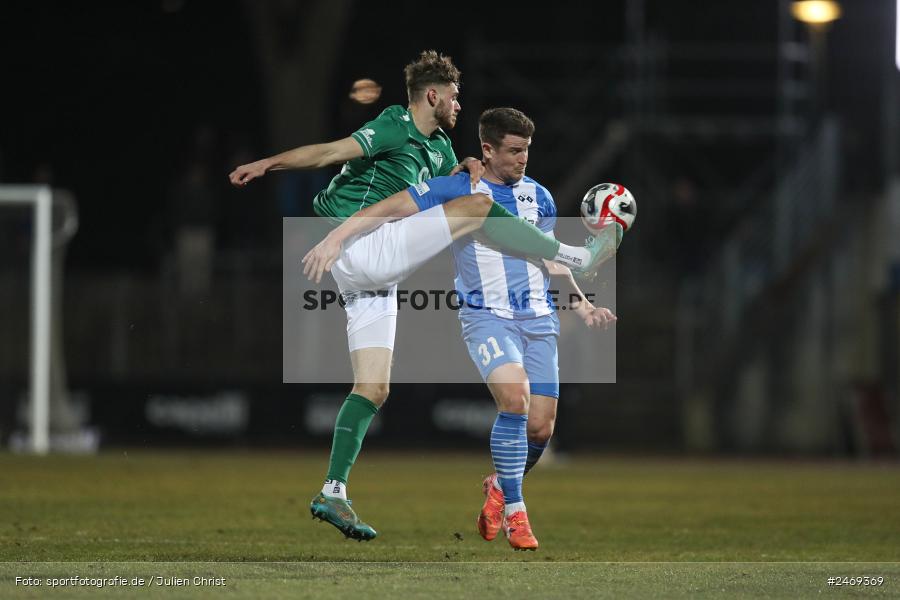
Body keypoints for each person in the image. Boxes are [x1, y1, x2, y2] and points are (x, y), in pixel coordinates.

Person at [234, 50, 615, 542]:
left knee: (374, 388)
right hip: (354, 243)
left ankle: (333, 490)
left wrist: (462, 167)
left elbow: (436, 188)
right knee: (477, 206)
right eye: (454, 96)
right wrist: (270, 164)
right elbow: (331, 152)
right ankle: (576, 253)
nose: (459, 104)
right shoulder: (395, 125)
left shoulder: (438, 150)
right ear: (432, 94)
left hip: (374, 275)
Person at [306, 108, 622, 549]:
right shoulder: (461, 188)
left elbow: (546, 259)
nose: (522, 159)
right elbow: (396, 204)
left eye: (527, 150)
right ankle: (517, 513)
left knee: (541, 429)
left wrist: (582, 305)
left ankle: (500, 486)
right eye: (513, 151)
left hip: (538, 317)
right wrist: (339, 234)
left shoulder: (540, 197)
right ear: (488, 150)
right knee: (515, 399)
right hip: (486, 316)